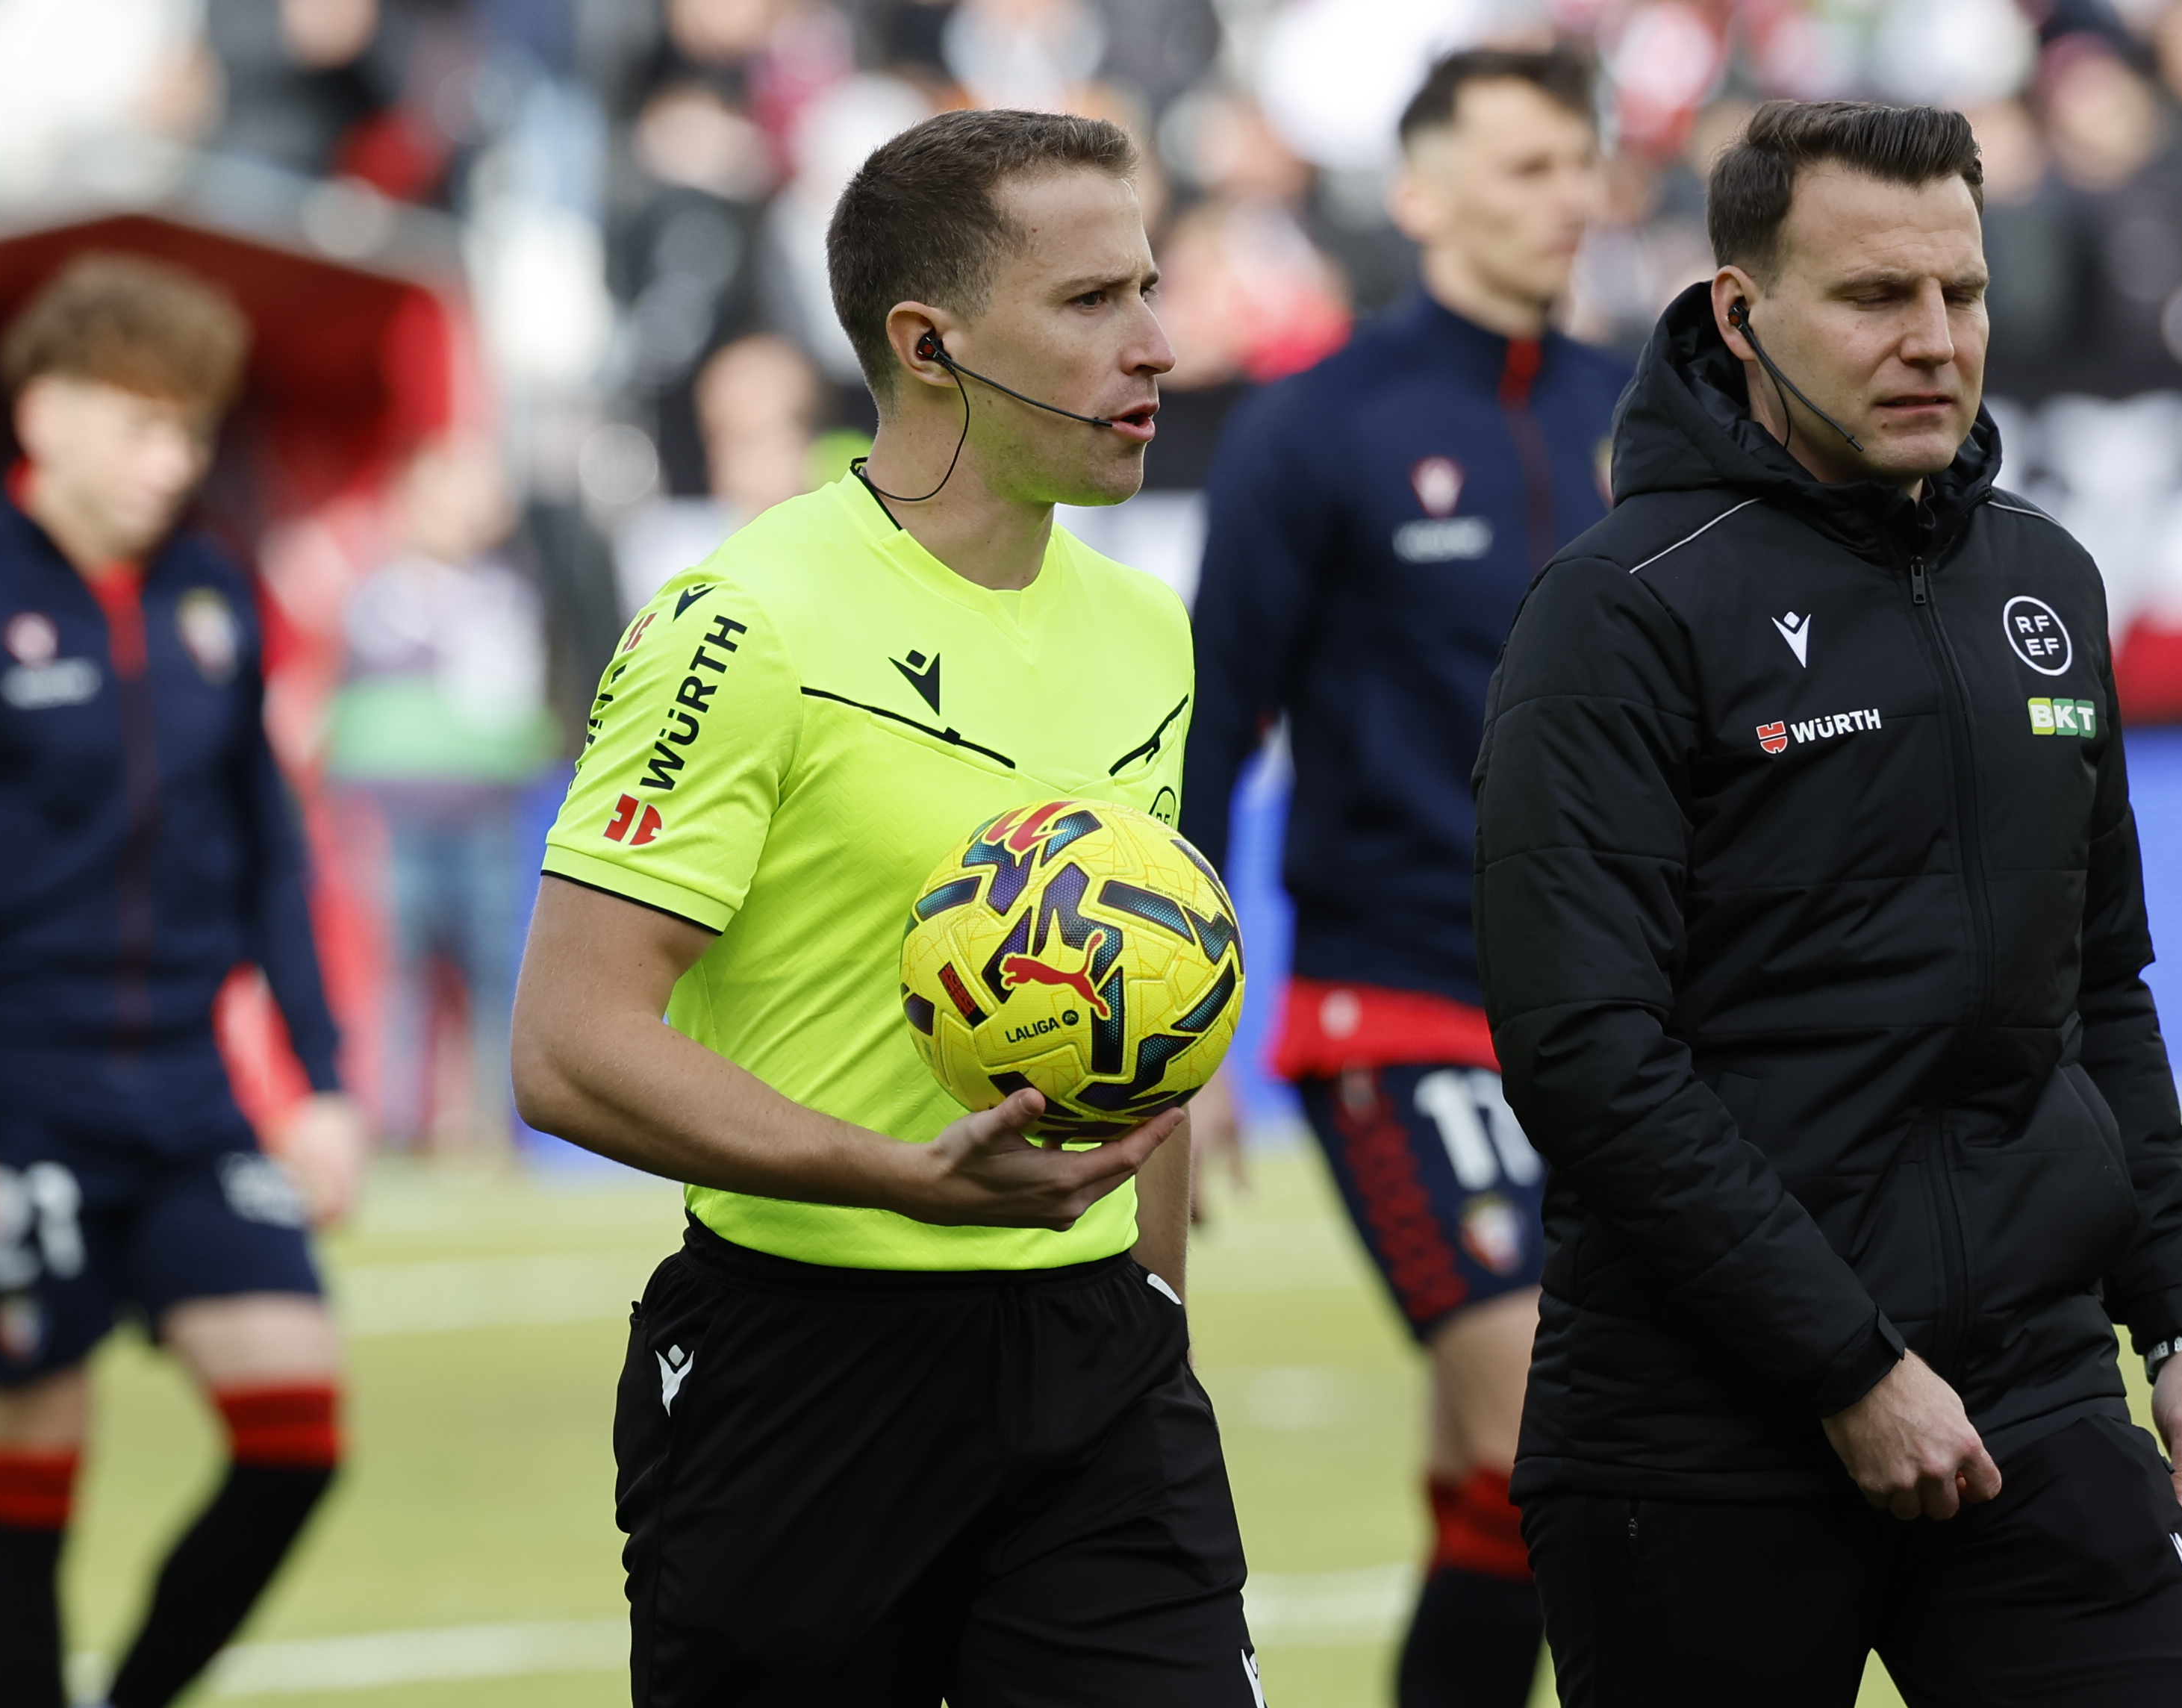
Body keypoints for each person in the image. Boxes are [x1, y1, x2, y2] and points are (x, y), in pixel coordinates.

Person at [1471, 101, 2182, 1704]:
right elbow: (1583, 1052)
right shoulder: (1619, 611)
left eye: (1957, 295)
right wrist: (1845, 1365)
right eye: (1870, 297)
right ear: (1741, 311)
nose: (1931, 340)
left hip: (2033, 1397)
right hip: (1698, 1435)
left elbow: (2097, 988)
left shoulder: (2044, 578)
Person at [511, 109, 1258, 1704]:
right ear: (929, 343)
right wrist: (894, 1177)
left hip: (1097, 1368)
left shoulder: (1151, 631)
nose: (1157, 346)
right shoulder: (742, 622)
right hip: (803, 1376)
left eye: (1148, 288)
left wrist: (1155, 1318)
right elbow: (569, 1044)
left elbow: (1146, 1033)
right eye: (1089, 304)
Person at [0, 255, 365, 1708]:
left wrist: (317, 1084)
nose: (174, 461)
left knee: (298, 1440)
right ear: (47, 411)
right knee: (32, 1485)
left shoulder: (212, 592)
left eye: (191, 430)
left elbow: (272, 853)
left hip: (190, 1101)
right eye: (144, 425)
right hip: (15, 1102)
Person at [1182, 47, 1622, 1708]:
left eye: (1575, 164)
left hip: (1615, 1018)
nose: (1563, 197)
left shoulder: (1638, 420)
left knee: (1515, 1488)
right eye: (1520, 167)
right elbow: (1213, 724)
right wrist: (1191, 1028)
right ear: (1421, 192)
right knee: (1543, 1422)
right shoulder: (1316, 425)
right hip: (1399, 1004)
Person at [328, 433, 556, 1156]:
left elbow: (509, 698)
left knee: (495, 974)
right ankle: (398, 1124)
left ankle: (490, 1124)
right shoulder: (376, 596)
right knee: (402, 978)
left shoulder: (505, 595)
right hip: (397, 820)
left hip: (486, 815)